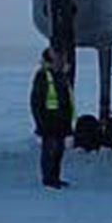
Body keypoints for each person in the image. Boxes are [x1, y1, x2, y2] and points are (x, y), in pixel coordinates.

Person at [29, 47, 75, 190]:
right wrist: (39, 123)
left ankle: (55, 177)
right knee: (50, 150)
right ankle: (48, 179)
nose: (62, 60)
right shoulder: (43, 76)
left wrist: (69, 123)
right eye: (59, 58)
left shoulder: (61, 76)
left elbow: (67, 101)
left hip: (60, 121)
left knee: (58, 152)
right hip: (49, 122)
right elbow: (36, 102)